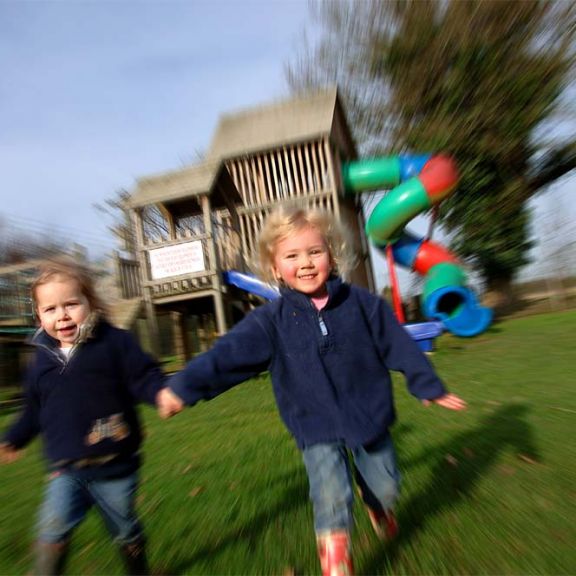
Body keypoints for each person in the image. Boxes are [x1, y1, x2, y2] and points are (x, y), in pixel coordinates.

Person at [158, 206, 466, 576]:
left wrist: (426, 384)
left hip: (368, 414)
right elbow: (227, 357)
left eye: (314, 252)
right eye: (291, 256)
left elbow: (398, 345)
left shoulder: (364, 306)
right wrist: (183, 388)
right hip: (314, 424)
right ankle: (336, 560)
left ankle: (377, 503)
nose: (305, 263)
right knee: (331, 495)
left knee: (386, 486)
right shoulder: (269, 323)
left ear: (331, 255)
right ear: (274, 268)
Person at [0, 258, 167, 575]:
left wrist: (160, 393)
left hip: (115, 466)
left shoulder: (114, 343)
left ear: (90, 303)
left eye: (71, 304)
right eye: (50, 309)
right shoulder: (39, 362)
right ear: (39, 316)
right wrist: (12, 438)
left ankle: (138, 569)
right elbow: (33, 410)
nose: (61, 315)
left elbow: (143, 376)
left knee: (124, 530)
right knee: (52, 530)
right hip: (66, 471)